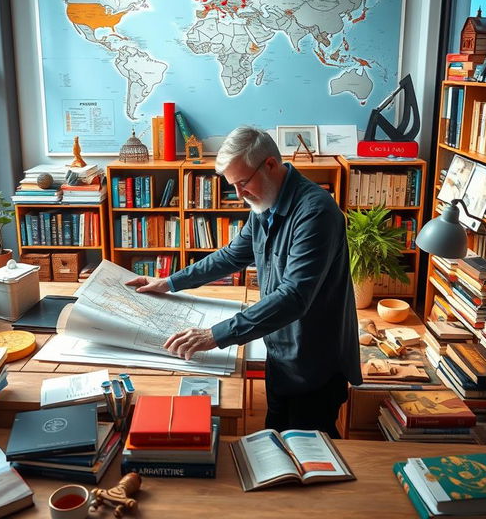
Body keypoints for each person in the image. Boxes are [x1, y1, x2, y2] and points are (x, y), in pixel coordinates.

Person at [125, 126, 362, 436]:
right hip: (280, 351)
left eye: (242, 183)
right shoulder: (266, 202)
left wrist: (215, 335)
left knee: (313, 454)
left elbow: (294, 296)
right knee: (275, 436)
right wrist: (169, 282)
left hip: (315, 361)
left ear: (271, 165)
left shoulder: (316, 212)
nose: (238, 195)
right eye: (232, 185)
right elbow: (231, 256)